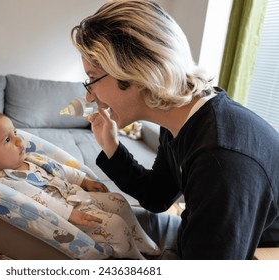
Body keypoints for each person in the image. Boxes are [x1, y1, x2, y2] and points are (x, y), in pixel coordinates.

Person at [71, 0, 279, 259]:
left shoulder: (221, 157)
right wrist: (111, 147)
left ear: (137, 72)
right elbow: (157, 196)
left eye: (93, 79)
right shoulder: (182, 120)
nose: (89, 96)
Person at [0, 110, 160, 259]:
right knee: (114, 225)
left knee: (119, 201)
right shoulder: (6, 182)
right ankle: (135, 259)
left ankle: (142, 241)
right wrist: (72, 215)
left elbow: (61, 170)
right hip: (66, 219)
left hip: (78, 197)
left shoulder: (31, 158)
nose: (19, 141)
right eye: (8, 140)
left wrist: (83, 180)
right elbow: (41, 202)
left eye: (15, 132)